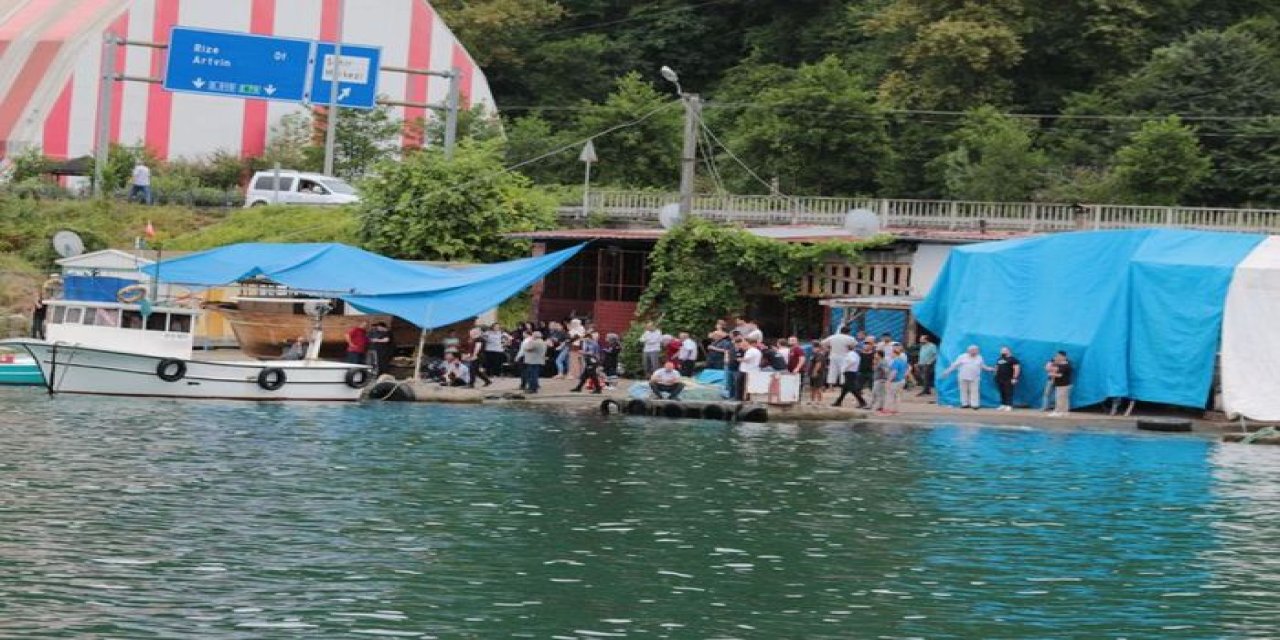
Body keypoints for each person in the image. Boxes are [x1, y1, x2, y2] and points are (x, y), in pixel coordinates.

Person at [942, 345, 995, 410]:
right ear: (969, 351)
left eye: (976, 350)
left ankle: (975, 405)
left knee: (975, 391)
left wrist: (990, 369)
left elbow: (983, 366)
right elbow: (954, 365)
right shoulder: (962, 357)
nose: (975, 352)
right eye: (973, 350)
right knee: (963, 390)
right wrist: (947, 372)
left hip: (975, 377)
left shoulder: (979, 357)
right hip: (963, 376)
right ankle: (964, 404)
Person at [882, 344, 910, 415]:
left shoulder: (896, 361)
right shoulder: (902, 361)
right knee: (897, 396)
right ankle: (895, 410)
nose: (890, 355)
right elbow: (909, 368)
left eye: (891, 353)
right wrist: (904, 375)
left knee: (890, 395)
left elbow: (894, 372)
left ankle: (887, 410)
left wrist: (888, 381)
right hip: (902, 380)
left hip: (895, 381)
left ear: (895, 353)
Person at [994, 346, 1021, 411]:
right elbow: (996, 367)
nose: (1002, 351)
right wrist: (995, 375)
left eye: (1003, 350)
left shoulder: (1013, 359)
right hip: (999, 378)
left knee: (1008, 392)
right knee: (1001, 392)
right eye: (1001, 350)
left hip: (1009, 378)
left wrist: (1015, 378)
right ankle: (1003, 405)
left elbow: (1017, 368)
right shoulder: (999, 359)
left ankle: (1009, 405)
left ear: (1008, 351)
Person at [1048, 351, 1074, 416]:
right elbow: (1050, 368)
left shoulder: (1066, 366)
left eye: (1059, 356)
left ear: (1063, 357)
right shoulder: (1060, 365)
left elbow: (1060, 375)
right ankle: (1064, 412)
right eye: (1057, 356)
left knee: (1060, 398)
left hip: (1063, 384)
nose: (1057, 357)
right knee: (1064, 398)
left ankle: (1058, 411)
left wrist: (1052, 374)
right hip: (1061, 384)